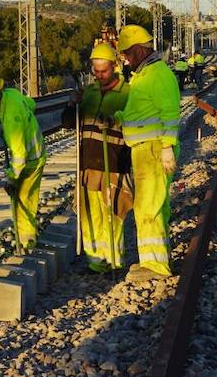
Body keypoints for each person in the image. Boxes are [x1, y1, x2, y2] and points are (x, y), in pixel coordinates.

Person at [114, 24, 182, 281]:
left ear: (141, 50)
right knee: (155, 206)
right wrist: (117, 117)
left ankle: (154, 267)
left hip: (154, 149)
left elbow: (170, 113)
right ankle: (158, 259)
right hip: (145, 150)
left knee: (147, 207)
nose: (125, 58)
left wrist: (167, 147)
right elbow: (139, 111)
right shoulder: (143, 75)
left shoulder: (158, 75)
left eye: (128, 53)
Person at [0, 72, 45, 253]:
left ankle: (27, 243)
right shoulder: (11, 94)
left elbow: (19, 154)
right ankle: (26, 239)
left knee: (22, 201)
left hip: (30, 161)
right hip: (36, 153)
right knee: (25, 199)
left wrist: (11, 178)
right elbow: (32, 104)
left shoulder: (11, 117)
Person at [75, 42, 131, 273]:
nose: (99, 75)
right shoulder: (89, 92)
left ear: (115, 66)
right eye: (95, 71)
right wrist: (72, 106)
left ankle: (115, 260)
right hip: (89, 163)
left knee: (113, 214)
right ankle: (96, 261)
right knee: (90, 216)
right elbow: (71, 123)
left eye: (103, 71)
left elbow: (135, 121)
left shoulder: (128, 93)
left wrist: (116, 120)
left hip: (114, 163)